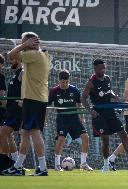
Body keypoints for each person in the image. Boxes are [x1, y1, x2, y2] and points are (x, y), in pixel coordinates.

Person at [2, 32, 51, 176]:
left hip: (33, 99)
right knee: (25, 133)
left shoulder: (34, 55)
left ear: (30, 43)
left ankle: (42, 168)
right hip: (36, 98)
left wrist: (24, 45)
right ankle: (17, 166)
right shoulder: (43, 55)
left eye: (24, 43)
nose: (23, 47)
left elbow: (10, 55)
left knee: (34, 132)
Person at [82, 58, 128, 172]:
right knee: (105, 141)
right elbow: (83, 98)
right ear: (95, 68)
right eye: (101, 68)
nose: (103, 70)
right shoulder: (91, 82)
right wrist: (91, 111)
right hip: (99, 115)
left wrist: (114, 96)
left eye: (104, 67)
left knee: (123, 134)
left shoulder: (107, 78)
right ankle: (106, 164)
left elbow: (109, 91)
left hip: (110, 112)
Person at [48, 70, 93, 171]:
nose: (64, 84)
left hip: (74, 119)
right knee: (61, 140)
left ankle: (83, 163)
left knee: (85, 137)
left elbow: (79, 104)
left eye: (66, 82)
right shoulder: (53, 91)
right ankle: (57, 165)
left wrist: (82, 117)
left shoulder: (74, 90)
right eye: (62, 82)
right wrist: (45, 119)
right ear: (58, 81)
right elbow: (48, 106)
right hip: (62, 119)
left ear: (69, 80)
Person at [0, 56, 22, 162]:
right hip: (11, 111)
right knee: (7, 135)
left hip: (16, 111)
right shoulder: (15, 74)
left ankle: (6, 162)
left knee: (4, 133)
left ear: (18, 59)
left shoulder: (22, 72)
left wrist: (24, 100)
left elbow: (29, 86)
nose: (10, 62)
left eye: (12, 59)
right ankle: (16, 163)